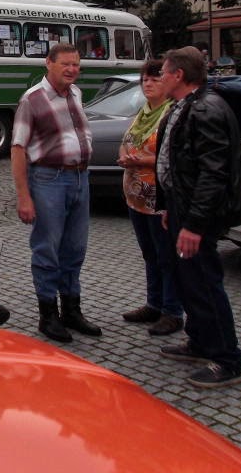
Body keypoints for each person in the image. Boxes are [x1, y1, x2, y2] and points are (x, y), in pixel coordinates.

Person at [155, 45, 241, 388]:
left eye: (163, 72)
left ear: (178, 75)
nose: (159, 78)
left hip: (199, 215)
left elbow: (213, 173)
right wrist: (169, 207)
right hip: (182, 207)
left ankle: (227, 359)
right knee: (188, 280)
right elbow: (177, 162)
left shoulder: (206, 109)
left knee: (204, 282)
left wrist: (194, 224)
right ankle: (200, 341)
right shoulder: (185, 106)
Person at [11, 42, 100, 343]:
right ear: (48, 63)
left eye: (76, 64)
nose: (72, 70)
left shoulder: (76, 93)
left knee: (75, 249)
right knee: (47, 248)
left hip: (80, 178)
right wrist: (24, 196)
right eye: (66, 64)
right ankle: (47, 314)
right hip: (48, 179)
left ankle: (71, 310)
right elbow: (18, 148)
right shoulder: (32, 100)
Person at [117, 59, 182, 336]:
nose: (148, 83)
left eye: (155, 79)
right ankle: (154, 303)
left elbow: (175, 157)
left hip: (159, 198)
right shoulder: (143, 113)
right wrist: (125, 156)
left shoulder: (172, 114)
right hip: (137, 198)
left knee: (167, 256)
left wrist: (141, 160)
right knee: (150, 254)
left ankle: (172, 311)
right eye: (145, 79)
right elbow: (127, 142)